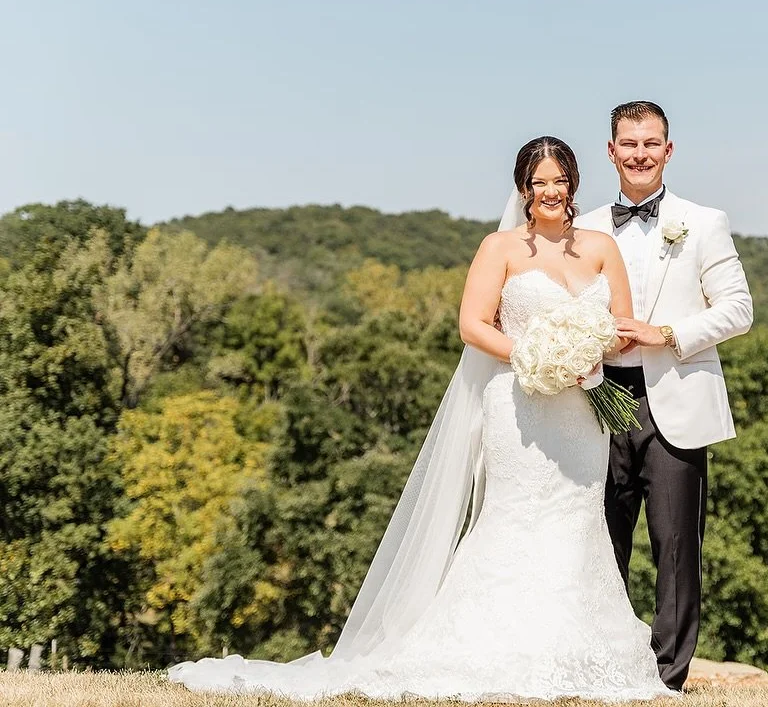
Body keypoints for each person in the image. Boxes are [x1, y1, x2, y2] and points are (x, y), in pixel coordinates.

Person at [166, 136, 674, 701]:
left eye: (560, 181)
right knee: (516, 519)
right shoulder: (500, 247)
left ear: (574, 183)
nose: (550, 192)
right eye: (539, 182)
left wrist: (589, 353)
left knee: (576, 521)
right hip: (521, 406)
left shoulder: (602, 247)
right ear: (523, 190)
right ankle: (488, 651)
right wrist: (531, 353)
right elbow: (473, 325)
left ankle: (578, 654)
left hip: (583, 410)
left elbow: (621, 328)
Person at [574, 101, 754, 690]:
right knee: (602, 537)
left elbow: (738, 309)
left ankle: (665, 677)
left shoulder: (703, 222)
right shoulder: (585, 226)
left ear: (668, 150)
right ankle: (603, 663)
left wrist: (670, 333)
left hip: (673, 395)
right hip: (598, 394)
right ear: (611, 150)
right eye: (629, 143)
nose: (640, 154)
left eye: (651, 143)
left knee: (676, 543)